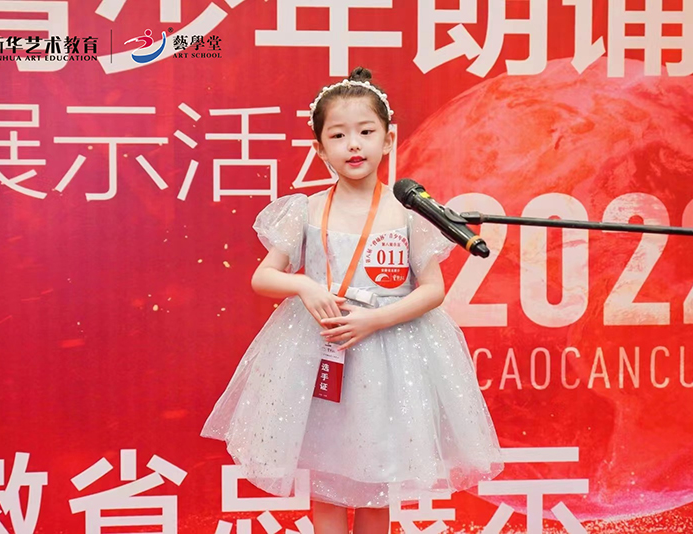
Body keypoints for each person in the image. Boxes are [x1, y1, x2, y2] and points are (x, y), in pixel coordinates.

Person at [201, 66, 503, 534]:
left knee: (376, 476)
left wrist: (375, 320)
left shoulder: (410, 212)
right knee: (326, 477)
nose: (353, 145)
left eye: (366, 131)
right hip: (321, 351)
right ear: (320, 149)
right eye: (338, 135)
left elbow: (433, 290)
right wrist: (304, 285)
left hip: (389, 355)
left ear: (388, 139)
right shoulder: (306, 209)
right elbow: (264, 277)